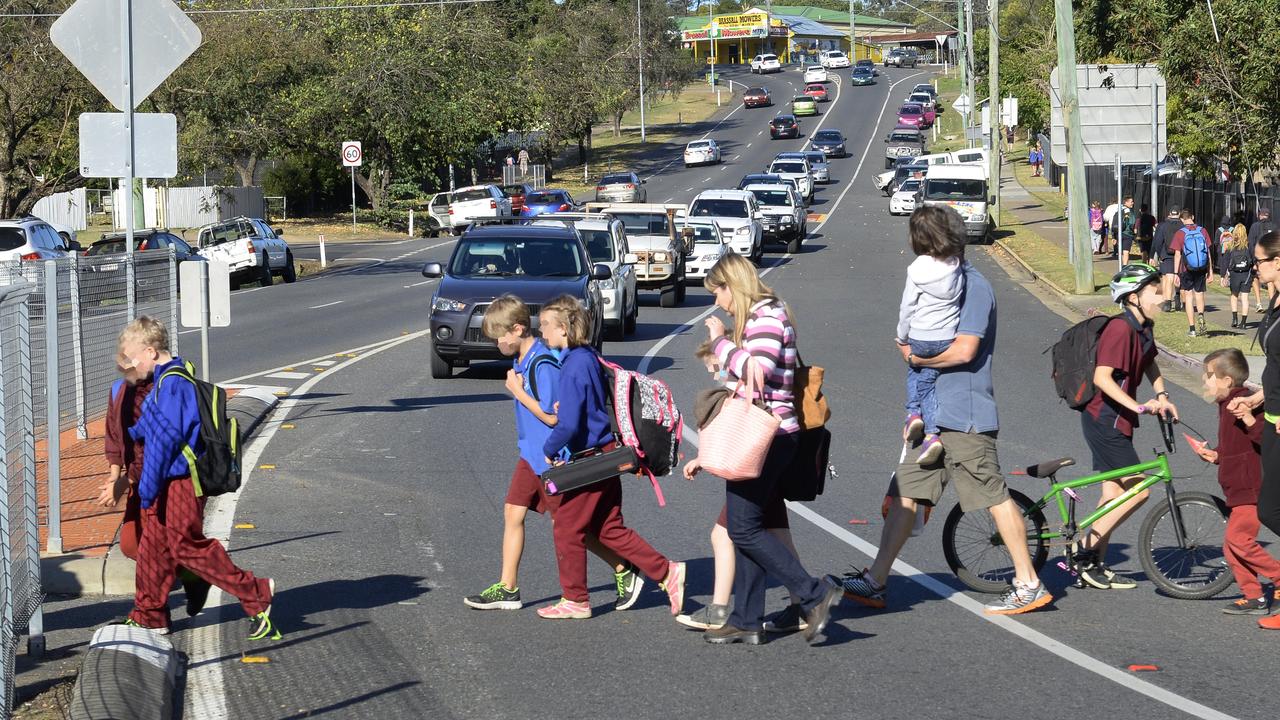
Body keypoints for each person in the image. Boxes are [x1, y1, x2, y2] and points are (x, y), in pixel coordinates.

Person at [837, 206, 1052, 615]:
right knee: (907, 491)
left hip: (964, 414)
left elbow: (966, 350)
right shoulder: (939, 283)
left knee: (993, 496)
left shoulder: (973, 287)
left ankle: (1028, 582)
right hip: (934, 418)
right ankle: (876, 580)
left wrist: (917, 361)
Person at [683, 254, 842, 645]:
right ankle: (747, 619)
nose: (718, 302)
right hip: (766, 434)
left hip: (769, 435)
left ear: (733, 284)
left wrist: (720, 342)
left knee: (742, 527)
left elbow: (760, 369)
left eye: (719, 291)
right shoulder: (759, 318)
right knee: (748, 526)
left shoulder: (768, 316)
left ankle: (813, 592)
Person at [463, 296, 636, 612]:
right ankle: (508, 587)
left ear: (517, 329)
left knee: (572, 527)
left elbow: (556, 418)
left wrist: (517, 392)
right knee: (512, 512)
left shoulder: (543, 364)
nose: (497, 342)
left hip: (552, 459)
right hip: (530, 456)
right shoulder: (522, 361)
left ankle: (623, 567)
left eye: (500, 336)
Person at [119, 317, 278, 639]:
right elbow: (154, 426)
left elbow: (163, 442)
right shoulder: (167, 380)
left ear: (150, 351)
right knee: (153, 548)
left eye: (130, 357)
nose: (127, 365)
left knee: (185, 545)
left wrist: (146, 490)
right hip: (169, 479)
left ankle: (254, 591)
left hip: (179, 481)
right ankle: (149, 615)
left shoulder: (173, 385)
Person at [536, 296, 686, 620]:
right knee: (607, 528)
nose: (542, 332)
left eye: (545, 325)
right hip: (607, 455)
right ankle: (667, 573)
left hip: (589, 460)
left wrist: (549, 449)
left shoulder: (572, 364)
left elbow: (570, 423)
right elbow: (590, 406)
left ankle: (575, 599)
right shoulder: (588, 356)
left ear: (563, 328)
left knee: (565, 526)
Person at [676, 341, 806, 633]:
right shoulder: (746, 382)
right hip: (775, 450)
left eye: (715, 368)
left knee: (724, 534)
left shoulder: (742, 389)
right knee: (777, 534)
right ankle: (800, 605)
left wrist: (702, 457)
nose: (714, 375)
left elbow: (738, 433)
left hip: (763, 455)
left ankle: (721, 609)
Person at [1072, 264, 1178, 589]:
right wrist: (1138, 405)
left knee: (1114, 493)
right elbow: (1102, 377)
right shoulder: (1120, 329)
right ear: (1134, 297)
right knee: (1139, 490)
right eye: (1154, 291)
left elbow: (1149, 362)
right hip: (1104, 419)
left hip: (1119, 419)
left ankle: (1093, 566)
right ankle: (1082, 550)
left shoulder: (1143, 326)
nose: (1161, 297)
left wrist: (1161, 394)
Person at [97, 344, 211, 620]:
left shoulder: (161, 390)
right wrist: (114, 476)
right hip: (140, 478)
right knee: (133, 544)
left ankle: (153, 613)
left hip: (169, 478)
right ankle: (190, 574)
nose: (125, 368)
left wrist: (124, 483)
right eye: (121, 364)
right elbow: (115, 436)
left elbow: (155, 449)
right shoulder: (120, 390)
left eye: (129, 362)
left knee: (155, 546)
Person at [1193, 349, 1280, 615]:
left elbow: (1265, 440)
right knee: (1231, 547)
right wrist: (1217, 455)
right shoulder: (1225, 404)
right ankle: (1253, 596)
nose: (1205, 382)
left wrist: (1250, 418)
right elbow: (1234, 447)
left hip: (1251, 487)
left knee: (1239, 540)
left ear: (1227, 380)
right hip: (1236, 487)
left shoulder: (1244, 401)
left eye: (1209, 376)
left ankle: (1278, 577)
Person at [1227, 230, 1280, 629]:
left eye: (1259, 261)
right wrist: (1256, 399)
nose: (1254, 267)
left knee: (1271, 509)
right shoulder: (1276, 301)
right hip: (1274, 417)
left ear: (1278, 261)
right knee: (1271, 507)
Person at [896, 212, 965, 465]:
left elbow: (907, 307)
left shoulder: (917, 270)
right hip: (947, 336)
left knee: (917, 373)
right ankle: (919, 419)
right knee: (928, 377)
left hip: (921, 334)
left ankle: (926, 426)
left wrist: (902, 337)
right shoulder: (955, 266)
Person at [1171, 209, 1214, 337]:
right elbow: (1208, 252)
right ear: (1193, 217)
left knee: (1188, 297)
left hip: (1186, 269)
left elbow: (1177, 255)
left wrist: (1175, 273)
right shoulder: (1203, 231)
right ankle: (1201, 316)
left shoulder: (1180, 233)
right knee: (1199, 294)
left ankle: (1192, 329)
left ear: (1181, 220)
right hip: (1201, 268)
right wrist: (1210, 270)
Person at [1220, 221, 1254, 328]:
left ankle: (1235, 319)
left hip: (1234, 274)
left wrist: (1223, 276)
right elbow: (1253, 260)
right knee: (1245, 298)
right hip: (1246, 275)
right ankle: (1243, 323)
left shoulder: (1230, 245)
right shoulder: (1249, 246)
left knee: (1234, 296)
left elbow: (1225, 262)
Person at [1151, 206, 1183, 312]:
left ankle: (1167, 303)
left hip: (1166, 255)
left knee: (1167, 278)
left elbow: (1157, 241)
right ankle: (1178, 299)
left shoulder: (1163, 225)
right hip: (1181, 254)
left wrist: (1159, 255)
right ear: (1179, 214)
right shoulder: (1183, 225)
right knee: (1178, 277)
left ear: (1170, 213)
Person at [1248, 208, 1276, 313]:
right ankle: (1272, 303)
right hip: (1271, 258)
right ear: (1268, 215)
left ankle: (1259, 303)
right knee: (1270, 280)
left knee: (1255, 278)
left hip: (1258, 258)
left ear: (1260, 215)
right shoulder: (1274, 226)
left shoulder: (1255, 226)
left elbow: (1251, 243)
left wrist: (1253, 259)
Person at [1119, 196, 1136, 262]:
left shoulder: (1120, 210)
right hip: (1127, 233)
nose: (1133, 203)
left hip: (1119, 233)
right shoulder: (1129, 211)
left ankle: (1121, 266)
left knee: (1122, 251)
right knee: (1126, 251)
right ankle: (1124, 267)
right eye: (1131, 202)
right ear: (1126, 202)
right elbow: (1132, 223)